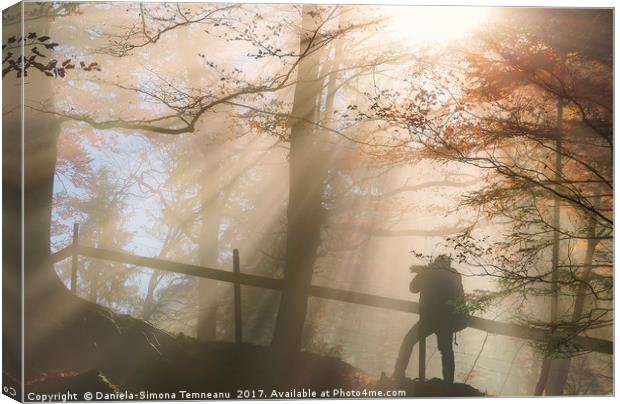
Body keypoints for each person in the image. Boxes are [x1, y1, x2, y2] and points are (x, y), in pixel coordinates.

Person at [392, 254, 466, 383]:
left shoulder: (443, 274)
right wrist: (424, 273)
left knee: (410, 342)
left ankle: (398, 375)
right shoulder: (452, 275)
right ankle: (448, 384)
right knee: (446, 351)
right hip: (443, 320)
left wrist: (424, 271)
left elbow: (414, 288)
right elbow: (414, 288)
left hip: (432, 319)